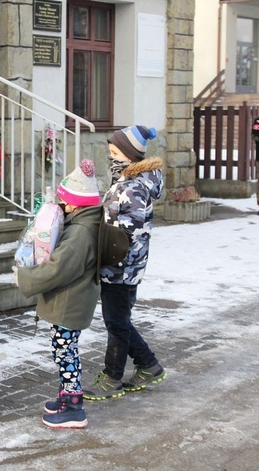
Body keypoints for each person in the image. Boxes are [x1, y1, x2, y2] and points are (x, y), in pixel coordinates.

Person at [15, 159, 102, 429]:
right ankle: (67, 395)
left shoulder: (80, 234)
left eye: (64, 203)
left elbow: (57, 269)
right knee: (61, 348)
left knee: (65, 351)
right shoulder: (82, 224)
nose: (61, 207)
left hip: (70, 301)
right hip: (71, 299)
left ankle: (74, 406)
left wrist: (25, 276)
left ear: (76, 203)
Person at [84, 125, 166, 401]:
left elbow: (127, 233)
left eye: (115, 151)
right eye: (110, 151)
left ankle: (112, 378)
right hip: (120, 267)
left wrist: (104, 253)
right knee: (119, 320)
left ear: (130, 155)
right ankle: (149, 365)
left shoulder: (132, 187)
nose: (111, 156)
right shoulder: (127, 181)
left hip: (121, 268)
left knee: (117, 324)